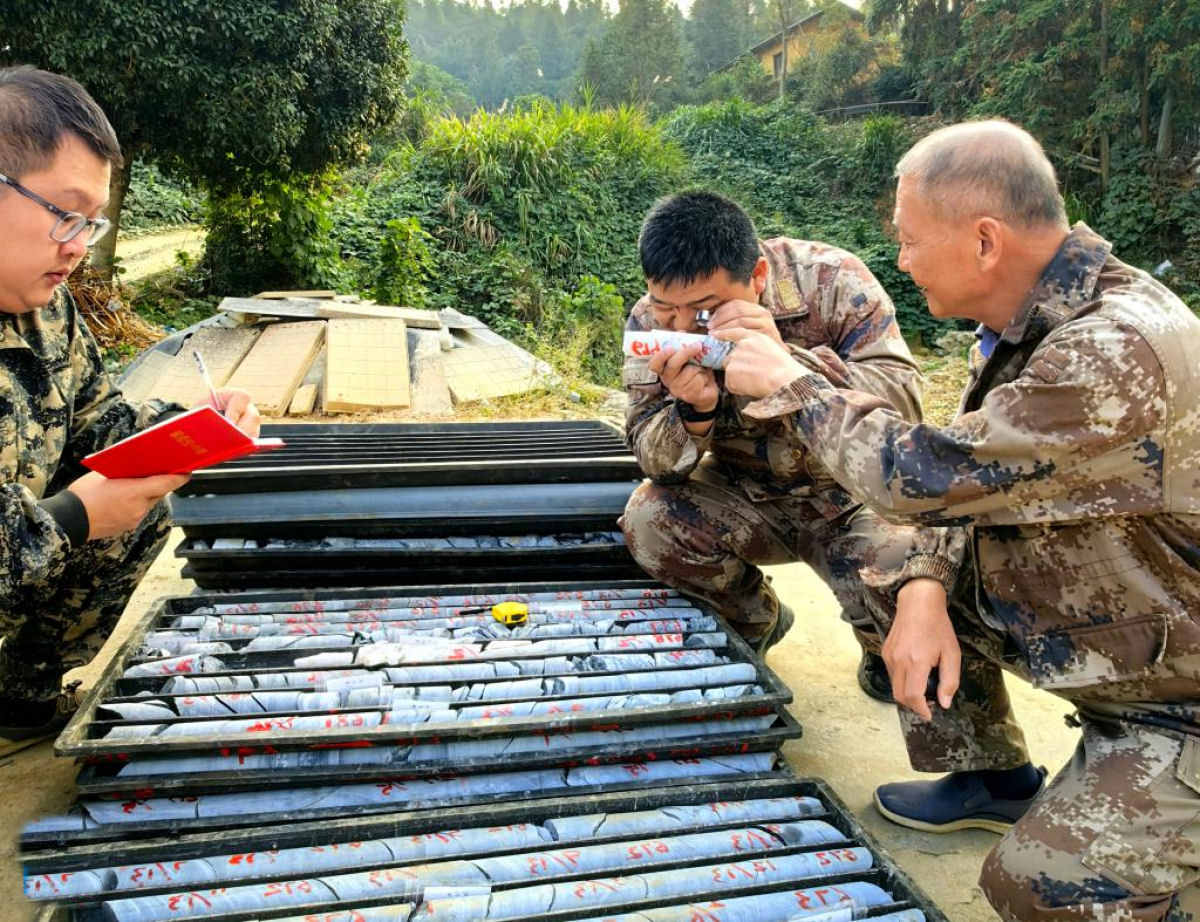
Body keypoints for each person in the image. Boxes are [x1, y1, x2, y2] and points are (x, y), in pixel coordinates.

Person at [714, 120, 1200, 920]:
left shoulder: (1115, 350)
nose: (900, 261)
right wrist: (925, 590)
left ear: (984, 241)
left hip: (1179, 697)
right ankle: (990, 775)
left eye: (908, 240)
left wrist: (790, 381)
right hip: (1133, 642)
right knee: (891, 572)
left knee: (1041, 888)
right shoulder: (1041, 322)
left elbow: (921, 473)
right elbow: (970, 484)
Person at [0, 66, 260, 756]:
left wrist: (191, 429)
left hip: (22, 565)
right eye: (64, 213)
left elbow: (98, 424)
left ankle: (17, 695)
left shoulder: (44, 310)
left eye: (93, 222)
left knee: (152, 499)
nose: (80, 245)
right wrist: (76, 514)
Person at [619, 190, 924, 694]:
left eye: (704, 311)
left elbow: (904, 410)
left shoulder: (832, 280)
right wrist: (693, 414)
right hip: (745, 494)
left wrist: (788, 366)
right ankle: (754, 619)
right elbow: (654, 459)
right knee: (650, 518)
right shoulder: (650, 321)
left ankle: (877, 641)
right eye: (664, 308)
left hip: (850, 495)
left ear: (758, 277)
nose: (681, 327)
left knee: (916, 572)